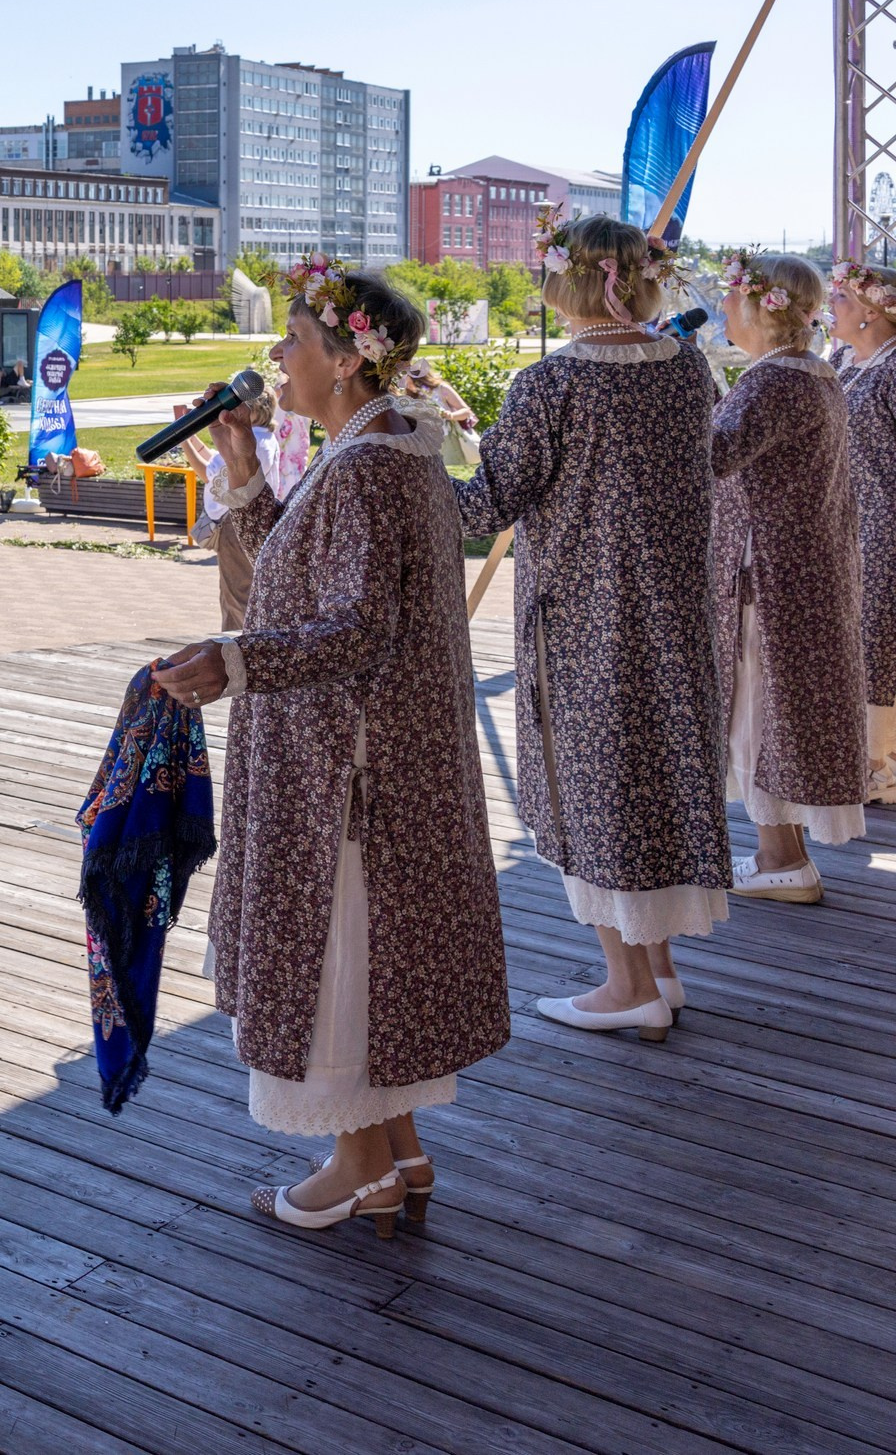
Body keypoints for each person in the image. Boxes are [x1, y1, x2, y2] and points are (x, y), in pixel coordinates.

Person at [152, 260, 509, 1238]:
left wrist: (233, 661)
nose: (275, 353)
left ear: (349, 357)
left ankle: (355, 1165)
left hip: (350, 769)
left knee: (341, 949)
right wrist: (238, 467)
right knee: (365, 953)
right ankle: (392, 1146)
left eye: (296, 338)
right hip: (369, 758)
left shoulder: (369, 468)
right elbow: (293, 576)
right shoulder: (386, 449)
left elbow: (352, 628)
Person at [455, 211, 730, 1039]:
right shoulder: (689, 369)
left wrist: (414, 448)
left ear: (561, 281)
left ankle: (627, 985)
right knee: (661, 773)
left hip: (587, 616)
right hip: (677, 609)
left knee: (599, 783)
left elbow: (484, 505)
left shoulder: (553, 383)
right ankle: (663, 971)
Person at [709, 254, 867, 903]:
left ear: (758, 309)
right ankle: (783, 854)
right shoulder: (813, 373)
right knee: (777, 707)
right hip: (801, 566)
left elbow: (713, 454)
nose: (722, 313)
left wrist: (683, 381)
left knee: (761, 707)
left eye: (729, 301)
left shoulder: (774, 382)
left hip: (772, 573)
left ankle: (781, 860)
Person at [832, 260, 896, 803]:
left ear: (871, 310)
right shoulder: (841, 358)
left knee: (880, 640)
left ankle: (882, 767)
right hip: (844, 519)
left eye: (842, 299)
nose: (832, 305)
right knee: (854, 636)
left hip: (887, 520)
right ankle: (857, 754)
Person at [176, 389, 278, 631]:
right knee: (245, 592)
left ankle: (235, 655)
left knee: (236, 597)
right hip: (250, 523)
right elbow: (214, 460)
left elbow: (207, 472)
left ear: (250, 410)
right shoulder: (264, 439)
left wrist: (183, 437)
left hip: (235, 524)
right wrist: (188, 432)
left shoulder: (254, 444)